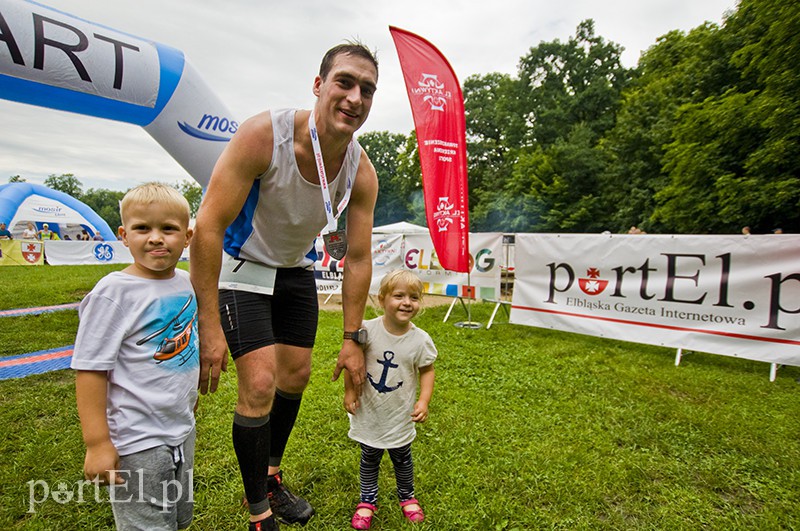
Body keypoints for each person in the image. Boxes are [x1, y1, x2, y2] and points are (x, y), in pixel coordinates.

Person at [190, 41, 379, 531]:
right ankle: (259, 514)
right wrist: (207, 325)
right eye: (345, 82)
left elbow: (358, 258)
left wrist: (352, 339)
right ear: (318, 86)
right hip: (241, 264)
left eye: (367, 90)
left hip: (294, 270)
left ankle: (271, 475)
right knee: (258, 384)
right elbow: (207, 226)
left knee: (294, 377)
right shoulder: (263, 135)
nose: (355, 97)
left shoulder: (362, 171)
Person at [71, 183, 197, 531]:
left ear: (187, 237)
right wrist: (97, 444)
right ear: (124, 235)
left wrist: (189, 398)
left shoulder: (186, 283)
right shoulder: (113, 293)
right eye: (143, 228)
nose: (156, 238)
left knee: (177, 519)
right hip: (137, 440)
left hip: (181, 429)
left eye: (168, 229)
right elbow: (90, 370)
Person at [344, 270, 437, 530]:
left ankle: (407, 497)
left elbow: (427, 369)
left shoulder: (420, 340)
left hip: (400, 414)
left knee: (402, 458)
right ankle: (367, 501)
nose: (407, 302)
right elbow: (352, 363)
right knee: (369, 458)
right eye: (399, 296)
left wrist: (424, 400)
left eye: (414, 297)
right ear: (382, 299)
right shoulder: (366, 330)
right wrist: (349, 391)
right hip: (371, 412)